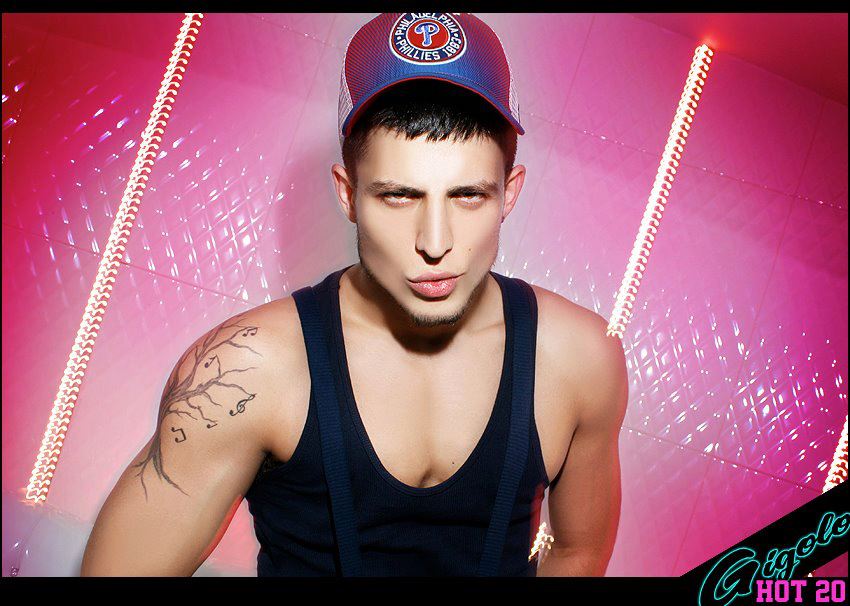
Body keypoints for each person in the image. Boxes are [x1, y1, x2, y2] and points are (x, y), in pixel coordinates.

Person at [81, 12, 628, 577]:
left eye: (468, 195)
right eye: (398, 196)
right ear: (348, 193)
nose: (435, 243)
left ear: (509, 193)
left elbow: (578, 552)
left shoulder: (578, 359)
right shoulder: (247, 369)